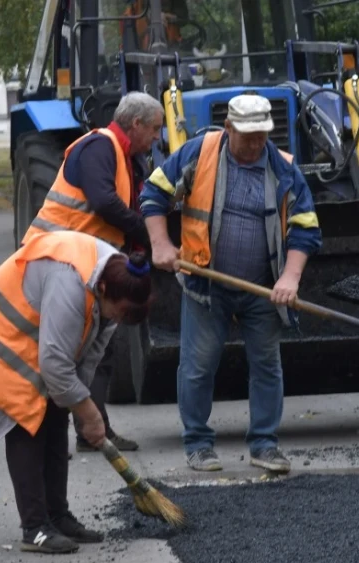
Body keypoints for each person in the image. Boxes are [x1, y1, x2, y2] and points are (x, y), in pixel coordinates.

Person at [0, 230, 154, 554]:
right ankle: (35, 528)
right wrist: (88, 412)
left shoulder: (115, 280)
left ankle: (58, 516)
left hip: (33, 342)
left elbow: (88, 354)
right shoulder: (70, 283)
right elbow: (55, 364)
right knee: (28, 423)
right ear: (105, 290)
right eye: (120, 312)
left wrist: (81, 407)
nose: (119, 319)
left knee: (57, 417)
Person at [140, 94, 323, 473]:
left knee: (267, 366)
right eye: (247, 136)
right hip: (206, 286)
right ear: (228, 129)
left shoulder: (284, 168)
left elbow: (305, 228)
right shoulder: (200, 152)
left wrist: (290, 277)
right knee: (198, 366)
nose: (256, 144)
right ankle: (198, 444)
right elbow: (153, 192)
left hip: (263, 288)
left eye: (261, 136)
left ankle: (264, 444)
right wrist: (160, 243)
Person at [24, 91, 164, 455]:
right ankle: (55, 430)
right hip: (56, 263)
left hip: (86, 266)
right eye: (154, 130)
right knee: (61, 353)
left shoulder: (124, 158)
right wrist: (150, 236)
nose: (157, 138)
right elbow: (104, 203)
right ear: (136, 124)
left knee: (97, 351)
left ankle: (90, 428)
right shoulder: (99, 148)